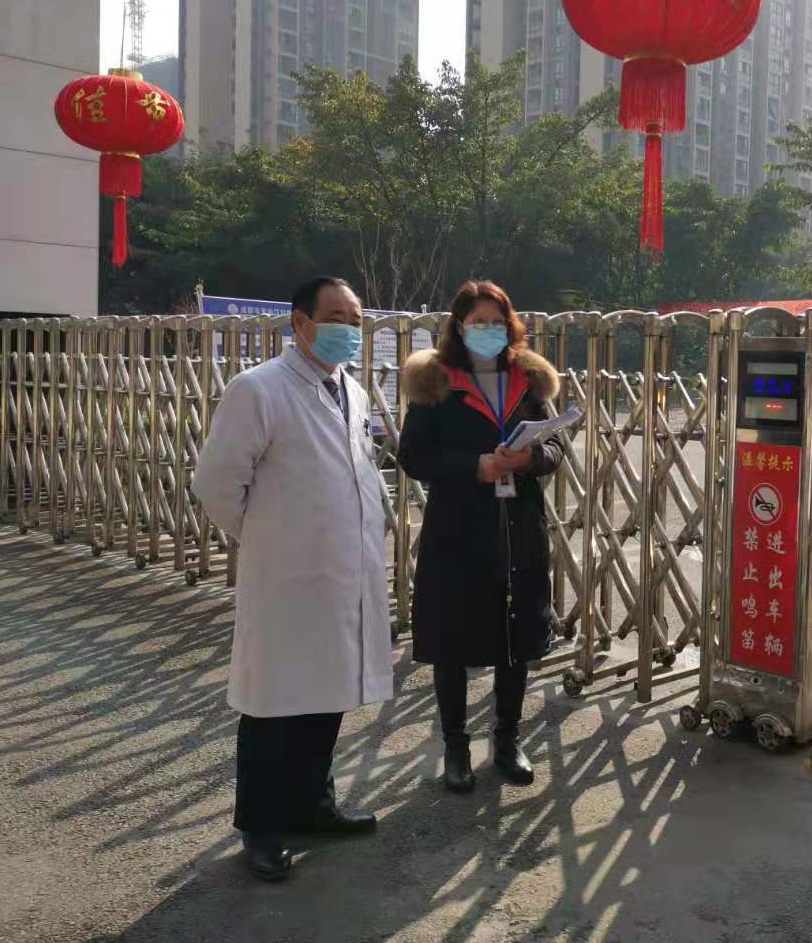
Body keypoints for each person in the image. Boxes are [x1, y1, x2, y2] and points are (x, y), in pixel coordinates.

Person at [193, 276, 393, 882]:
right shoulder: (258, 389)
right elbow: (216, 484)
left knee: (327, 693)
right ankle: (262, 825)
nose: (347, 330)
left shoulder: (352, 389)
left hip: (344, 572)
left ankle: (312, 805)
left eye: (355, 320)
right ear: (300, 323)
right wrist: (269, 539)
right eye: (335, 318)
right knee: (274, 704)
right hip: (285, 577)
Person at [398, 280, 563, 794]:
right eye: (478, 322)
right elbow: (413, 457)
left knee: (514, 636)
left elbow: (556, 449)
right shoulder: (436, 381)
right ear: (459, 326)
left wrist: (530, 458)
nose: (489, 330)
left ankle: (508, 739)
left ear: (511, 327)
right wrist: (475, 466)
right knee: (453, 638)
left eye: (497, 322)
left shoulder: (528, 380)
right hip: (458, 529)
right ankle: (455, 744)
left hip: (518, 528)